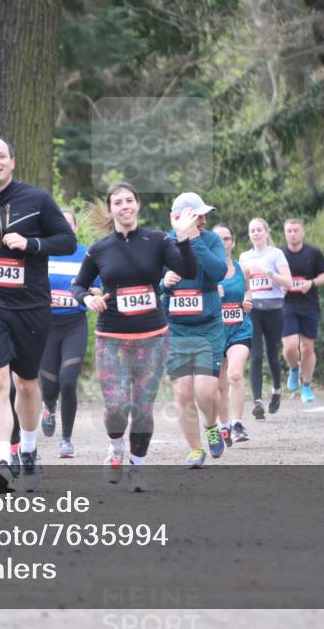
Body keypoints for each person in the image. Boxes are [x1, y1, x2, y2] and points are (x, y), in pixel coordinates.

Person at [0, 132, 76, 493]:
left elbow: (66, 240)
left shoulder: (37, 200)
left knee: (27, 383)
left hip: (31, 305)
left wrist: (31, 244)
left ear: (12, 162)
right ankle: (2, 460)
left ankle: (31, 450)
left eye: (0, 156)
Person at [71, 183, 199, 491]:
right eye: (118, 202)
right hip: (111, 337)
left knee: (142, 408)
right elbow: (78, 285)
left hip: (152, 337)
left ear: (138, 205)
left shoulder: (157, 240)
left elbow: (189, 270)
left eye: (130, 200)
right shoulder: (100, 248)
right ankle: (115, 450)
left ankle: (137, 468)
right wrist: (87, 299)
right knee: (115, 406)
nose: (125, 206)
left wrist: (182, 238)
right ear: (111, 208)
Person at [161, 192, 229, 469]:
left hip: (208, 327)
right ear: (177, 218)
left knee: (205, 390)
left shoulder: (210, 239)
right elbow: (146, 281)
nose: (203, 219)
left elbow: (218, 272)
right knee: (182, 393)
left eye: (203, 215)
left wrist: (195, 240)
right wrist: (162, 281)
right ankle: (194, 449)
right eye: (196, 215)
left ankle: (212, 425)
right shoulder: (163, 243)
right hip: (175, 328)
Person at [39, 208, 100, 458]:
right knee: (50, 385)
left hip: (74, 324)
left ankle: (66, 440)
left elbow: (96, 288)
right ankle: (49, 406)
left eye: (68, 224)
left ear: (74, 229)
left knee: (68, 380)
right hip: (46, 326)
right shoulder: (41, 254)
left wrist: (90, 296)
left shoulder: (85, 254)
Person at [237, 218, 292, 418]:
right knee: (256, 354)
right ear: (249, 234)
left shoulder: (276, 254)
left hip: (274, 308)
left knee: (272, 354)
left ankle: (277, 390)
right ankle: (258, 402)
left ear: (266, 232)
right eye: (252, 230)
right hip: (254, 309)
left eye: (259, 229)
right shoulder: (244, 257)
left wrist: (268, 272)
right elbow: (240, 284)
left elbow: (288, 282)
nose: (256, 233)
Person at [279, 218, 324, 403]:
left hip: (309, 305)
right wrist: (281, 285)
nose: (292, 234)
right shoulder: (279, 254)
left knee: (307, 348)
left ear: (302, 232)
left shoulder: (313, 253)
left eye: (295, 230)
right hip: (286, 305)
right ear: (285, 233)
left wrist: (311, 283)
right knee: (290, 346)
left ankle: (307, 386)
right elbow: (269, 276)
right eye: (289, 231)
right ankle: (294, 369)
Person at [213, 224, 254, 445]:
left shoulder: (243, 268)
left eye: (226, 239)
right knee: (219, 385)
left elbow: (247, 290)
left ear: (233, 242)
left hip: (240, 328)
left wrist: (249, 301)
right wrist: (210, 293)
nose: (222, 243)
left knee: (235, 374)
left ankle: (238, 424)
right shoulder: (205, 270)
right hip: (216, 331)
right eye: (218, 239)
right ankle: (224, 425)